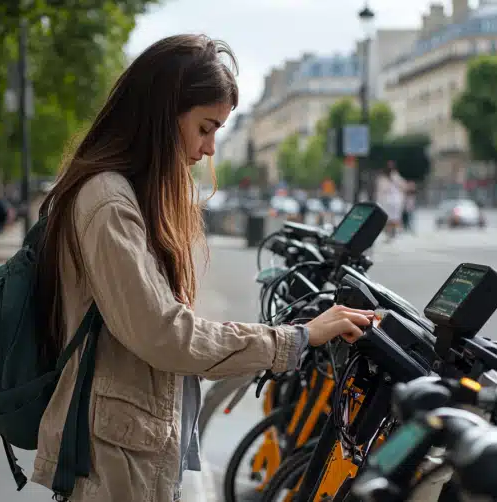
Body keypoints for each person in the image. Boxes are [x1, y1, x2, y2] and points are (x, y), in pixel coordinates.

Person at [30, 34, 373, 502]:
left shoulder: (122, 194)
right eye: (205, 128)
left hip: (126, 442)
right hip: (114, 461)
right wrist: (296, 338)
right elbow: (164, 333)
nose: (210, 148)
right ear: (161, 115)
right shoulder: (109, 202)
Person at [376, 163, 403, 240]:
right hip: (386, 201)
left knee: (394, 219)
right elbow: (381, 190)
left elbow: (402, 187)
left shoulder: (397, 177)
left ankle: (392, 233)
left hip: (395, 201)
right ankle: (389, 234)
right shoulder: (382, 178)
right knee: (387, 219)